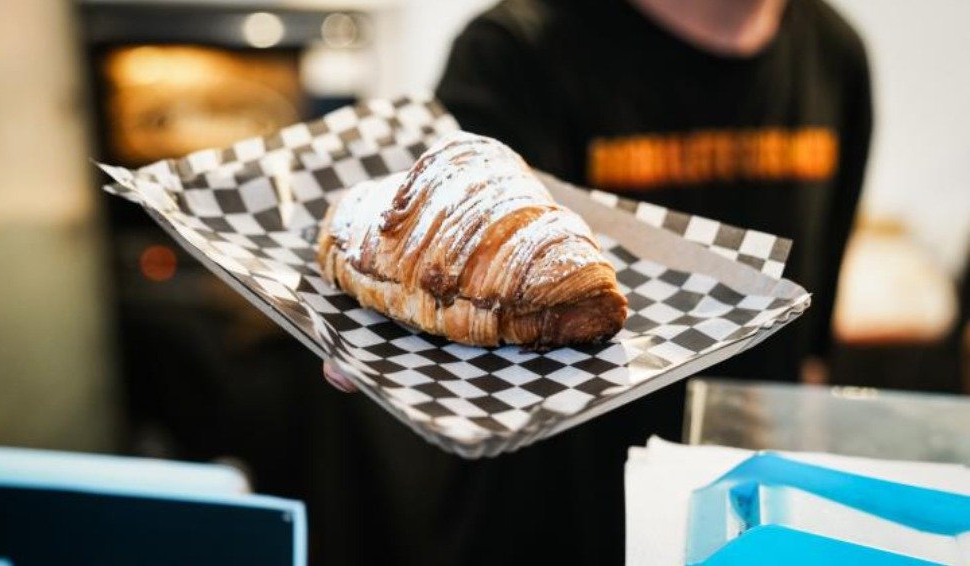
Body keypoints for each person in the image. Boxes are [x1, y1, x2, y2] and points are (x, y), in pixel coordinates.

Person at [320, 0, 872, 563]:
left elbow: (810, 344)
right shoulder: (513, 50)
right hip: (545, 526)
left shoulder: (835, 56)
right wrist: (389, 343)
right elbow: (453, 252)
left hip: (735, 517)